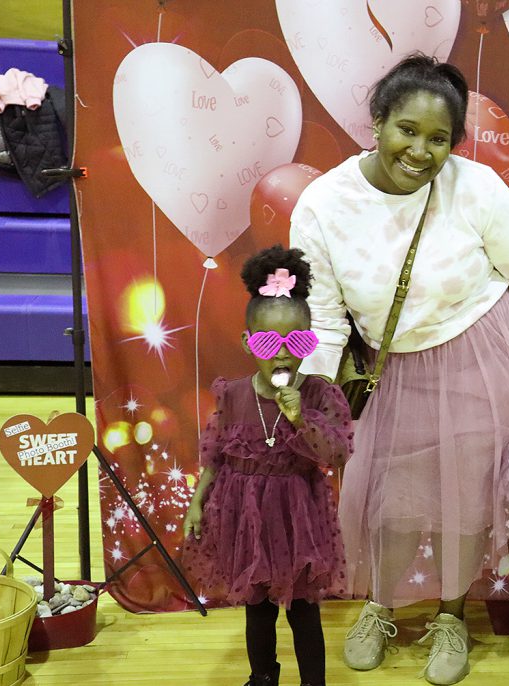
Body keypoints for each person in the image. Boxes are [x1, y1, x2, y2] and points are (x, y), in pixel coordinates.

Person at [289, 53, 509, 685]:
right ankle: (379, 608)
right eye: (407, 130)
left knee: (462, 497)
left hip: (478, 352)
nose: (420, 150)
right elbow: (327, 315)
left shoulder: (477, 189)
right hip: (388, 369)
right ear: (377, 122)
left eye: (438, 138)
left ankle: (452, 614)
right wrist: (314, 392)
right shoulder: (322, 205)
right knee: (384, 498)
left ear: (454, 144)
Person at [183, 245, 354, 686]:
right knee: (257, 610)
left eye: (295, 342)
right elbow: (214, 453)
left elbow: (337, 454)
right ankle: (263, 676)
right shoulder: (234, 394)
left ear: (309, 341)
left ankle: (312, 681)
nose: (281, 355)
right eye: (267, 343)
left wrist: (301, 418)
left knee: (303, 610)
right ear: (248, 342)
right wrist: (198, 502)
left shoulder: (318, 394)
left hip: (298, 514)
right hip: (245, 515)